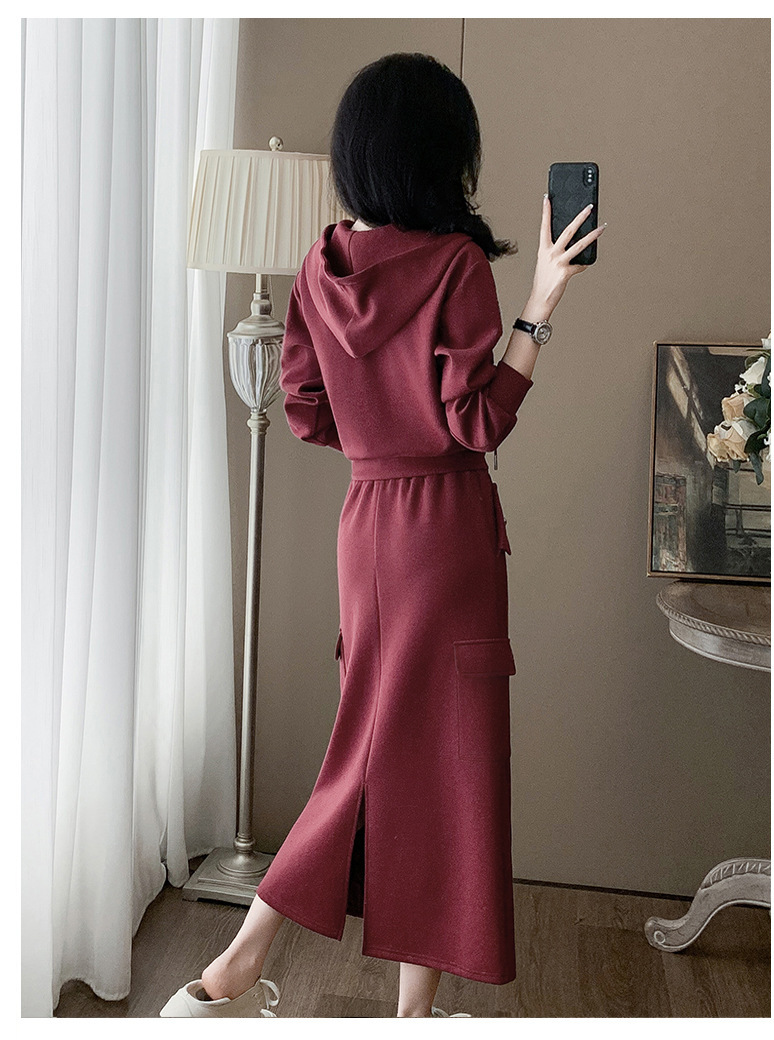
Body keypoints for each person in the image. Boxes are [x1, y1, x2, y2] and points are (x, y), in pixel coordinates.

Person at [161, 51, 605, 1020]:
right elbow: (477, 422)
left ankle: (252, 974)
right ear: (441, 154)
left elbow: (305, 409)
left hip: (365, 526)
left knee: (372, 748)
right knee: (443, 761)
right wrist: (539, 306)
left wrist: (380, 433)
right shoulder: (453, 265)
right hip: (442, 532)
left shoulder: (318, 266)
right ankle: (306, 984)